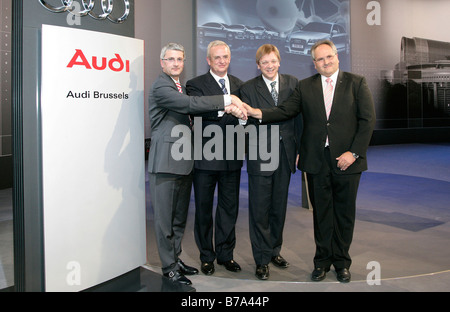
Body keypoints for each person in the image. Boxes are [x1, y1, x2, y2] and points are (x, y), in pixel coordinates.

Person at [244, 40, 375, 283]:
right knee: (322, 215)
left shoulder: (357, 83)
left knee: (344, 214)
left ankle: (342, 263)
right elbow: (285, 111)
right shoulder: (305, 87)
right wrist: (255, 112)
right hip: (316, 161)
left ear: (337, 57)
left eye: (329, 57)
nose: (326, 62)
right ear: (314, 64)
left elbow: (367, 121)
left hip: (347, 160)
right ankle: (322, 262)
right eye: (320, 59)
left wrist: (353, 153)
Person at [148, 43, 246, 285]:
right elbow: (190, 106)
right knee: (165, 221)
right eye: (170, 59)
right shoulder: (162, 86)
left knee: (178, 218)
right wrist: (228, 99)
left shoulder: (177, 86)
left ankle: (175, 259)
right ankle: (168, 267)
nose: (176, 63)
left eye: (179, 59)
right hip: (166, 163)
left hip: (183, 161)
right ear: (162, 63)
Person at [240, 44, 301, 280]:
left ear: (280, 61)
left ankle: (275, 250)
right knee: (260, 210)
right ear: (258, 65)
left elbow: (299, 118)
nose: (269, 65)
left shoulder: (293, 83)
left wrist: (298, 149)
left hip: (286, 154)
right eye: (264, 62)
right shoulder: (248, 89)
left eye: (273, 61)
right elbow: (245, 125)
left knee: (279, 208)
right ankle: (262, 259)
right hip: (261, 157)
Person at [185, 41, 244, 276]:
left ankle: (225, 255)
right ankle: (206, 256)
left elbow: (245, 115)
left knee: (229, 209)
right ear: (208, 60)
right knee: (203, 209)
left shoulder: (241, 84)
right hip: (205, 158)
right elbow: (198, 110)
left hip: (232, 157)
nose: (222, 61)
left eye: (225, 57)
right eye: (216, 57)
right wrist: (228, 106)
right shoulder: (195, 84)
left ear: (230, 58)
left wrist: (241, 114)